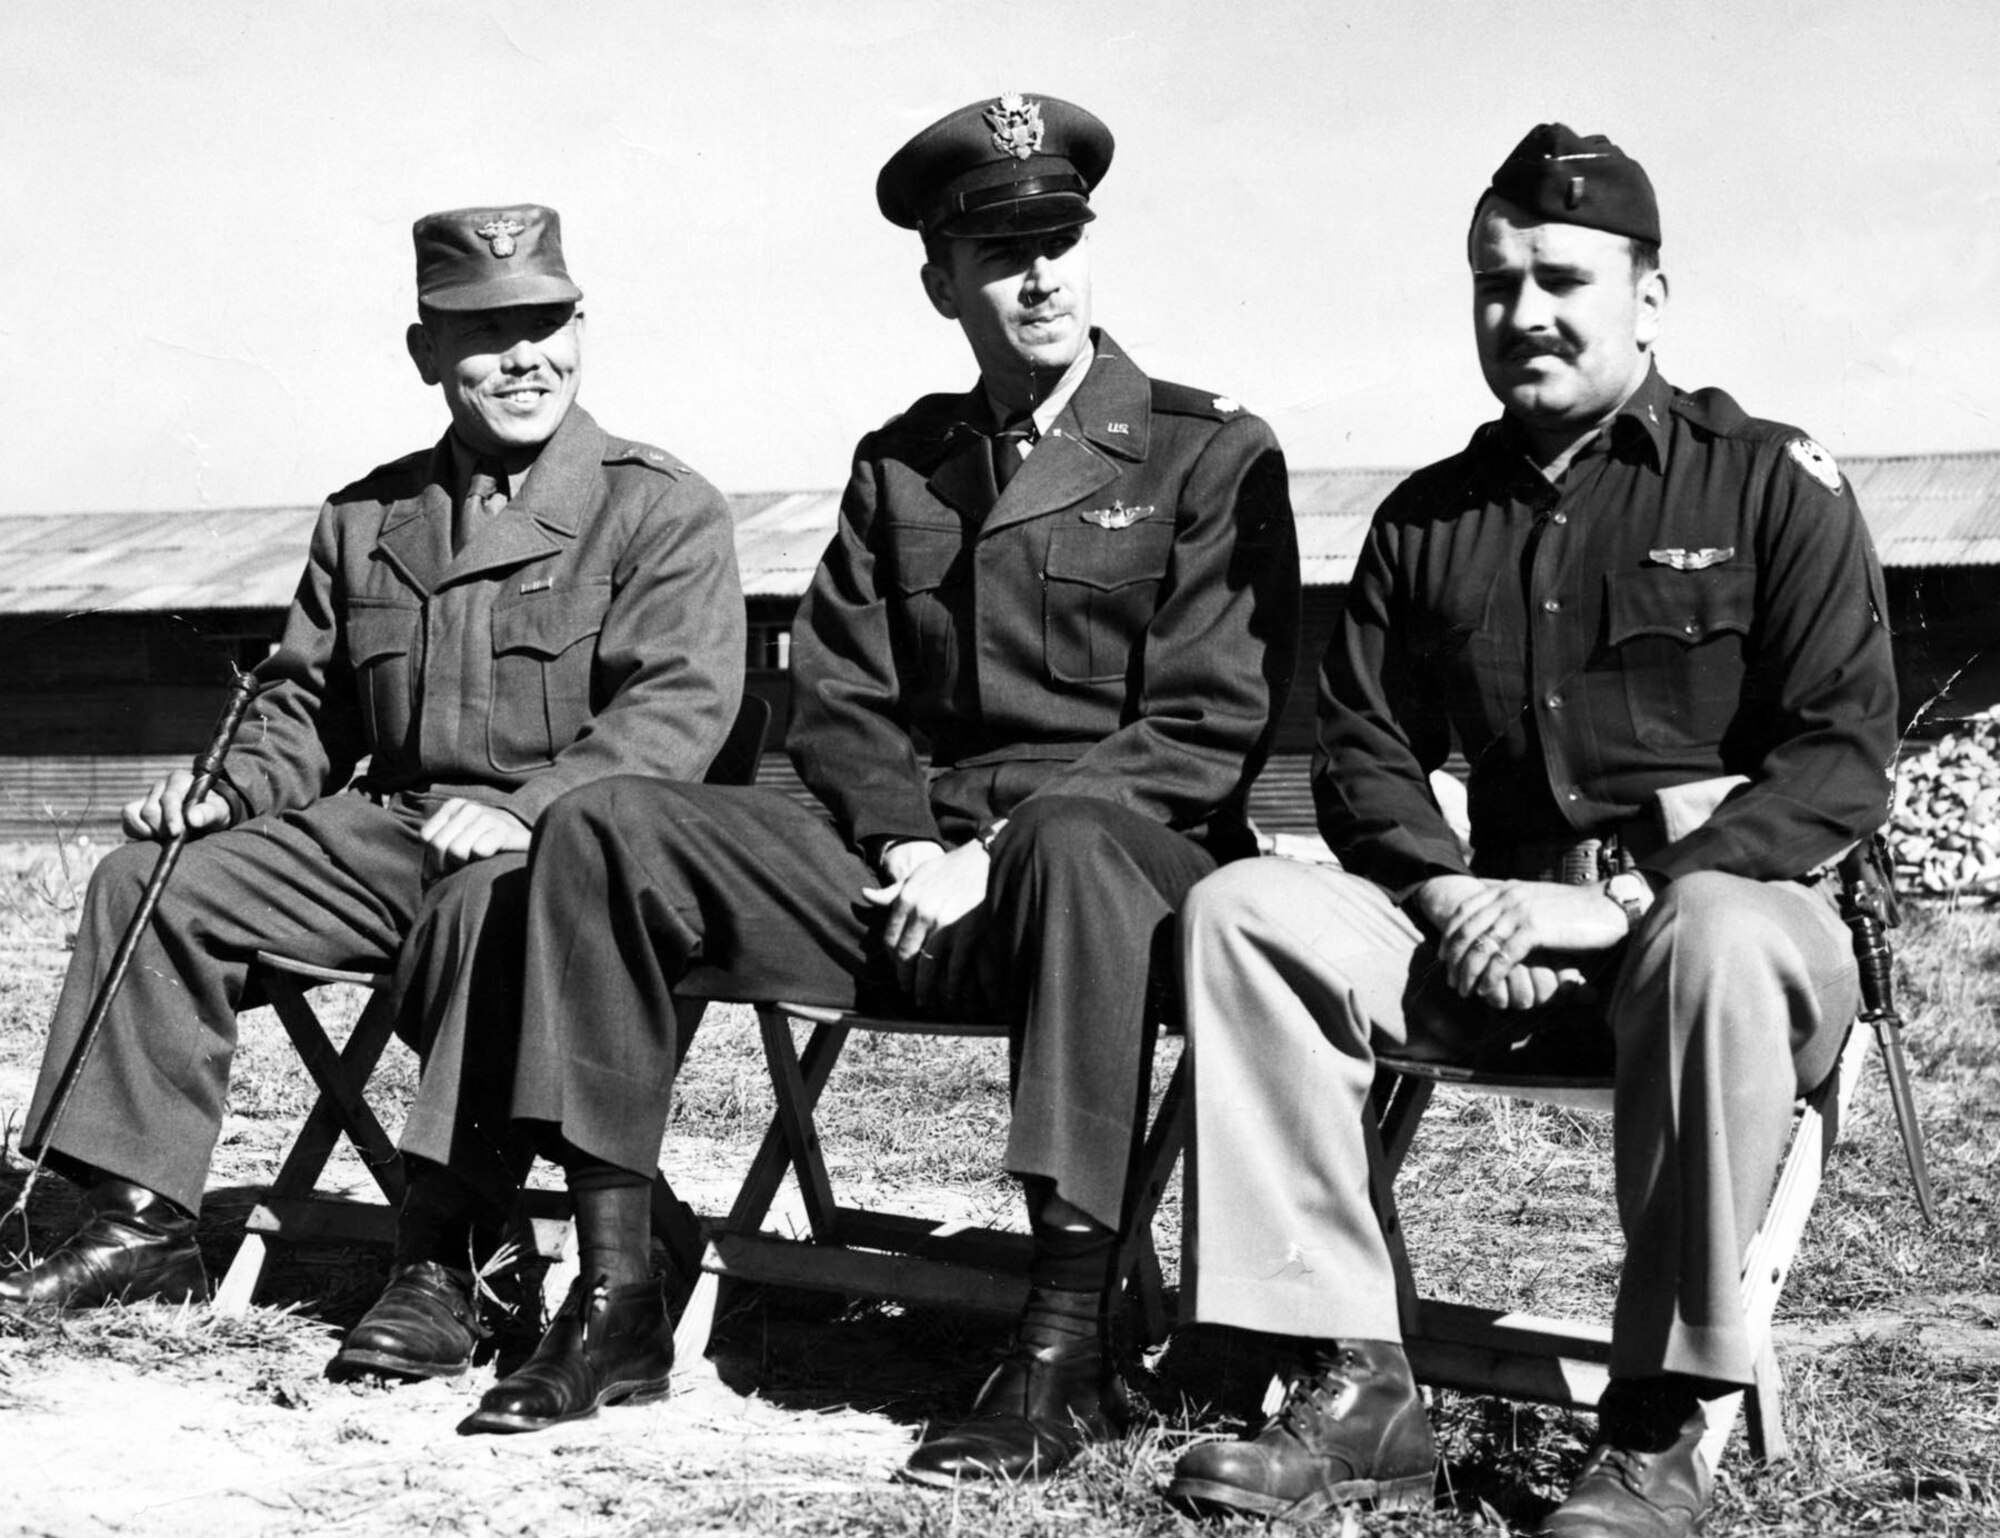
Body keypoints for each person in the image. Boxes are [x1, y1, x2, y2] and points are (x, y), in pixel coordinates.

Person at [423, 94, 1299, 1465]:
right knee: (604, 822)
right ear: (942, 279)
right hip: (905, 884)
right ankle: (617, 1293)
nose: (1044, 275)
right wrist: (901, 847)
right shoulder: (904, 465)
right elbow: (840, 702)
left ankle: (1064, 1344)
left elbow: (1203, 724)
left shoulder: (1207, 451)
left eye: (1062, 238)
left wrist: (988, 855)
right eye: (1004, 252)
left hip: (1118, 882)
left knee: (1066, 837)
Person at [1165, 124, 1897, 1535]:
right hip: (1495, 940)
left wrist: (1631, 896)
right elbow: (1366, 751)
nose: (1525, 314)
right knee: (1244, 913)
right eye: (1496, 285)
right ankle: (1354, 1380)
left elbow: (1842, 756)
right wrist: (1444, 896)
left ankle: (1661, 1422)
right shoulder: (1431, 518)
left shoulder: (1764, 482)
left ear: (1652, 294)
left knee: (1714, 935)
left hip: (1726, 947)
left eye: (1563, 277)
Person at [1, 206, 746, 1374]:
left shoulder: (657, 506)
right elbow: (305, 705)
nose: (523, 357)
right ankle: (137, 1218)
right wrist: (225, 795)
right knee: (152, 878)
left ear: (581, 329)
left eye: (545, 324)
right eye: (484, 333)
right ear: (425, 352)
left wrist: (527, 803)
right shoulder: (367, 516)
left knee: (482, 897)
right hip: (390, 835)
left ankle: (456, 1260)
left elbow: (676, 712)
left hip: (567, 855)